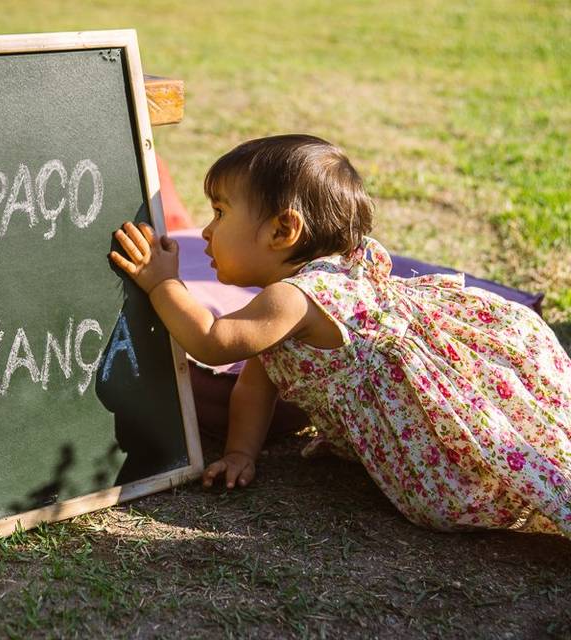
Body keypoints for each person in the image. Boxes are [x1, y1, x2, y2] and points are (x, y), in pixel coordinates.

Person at [109, 134, 571, 536]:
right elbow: (255, 383)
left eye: (219, 212)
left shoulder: (296, 297)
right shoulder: (292, 295)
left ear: (283, 229)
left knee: (491, 468)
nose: (205, 232)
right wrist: (239, 453)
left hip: (439, 460)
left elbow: (212, 340)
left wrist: (161, 282)